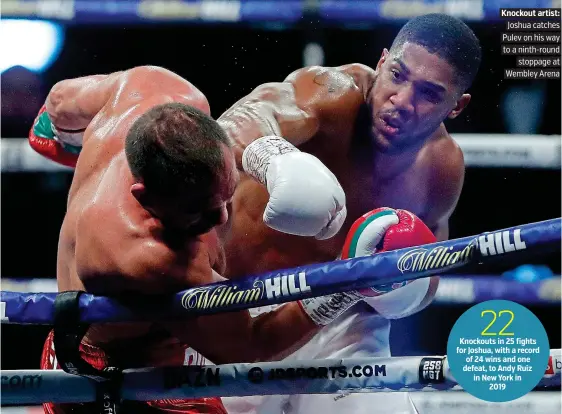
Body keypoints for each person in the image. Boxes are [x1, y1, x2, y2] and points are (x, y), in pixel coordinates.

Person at [29, 66, 393, 414]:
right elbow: (251, 345)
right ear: (144, 197)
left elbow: (58, 101)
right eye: (197, 212)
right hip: (113, 373)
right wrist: (347, 281)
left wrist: (266, 155)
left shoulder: (154, 86)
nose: (219, 217)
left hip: (168, 346)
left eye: (225, 195)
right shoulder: (151, 258)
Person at [217, 13, 481, 413]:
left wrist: (402, 292)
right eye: (397, 75)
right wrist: (276, 160)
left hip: (345, 323)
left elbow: (428, 275)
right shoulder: (331, 93)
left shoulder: (440, 168)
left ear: (456, 106)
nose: (402, 101)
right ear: (381, 62)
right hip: (245, 305)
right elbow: (239, 121)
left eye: (429, 94)